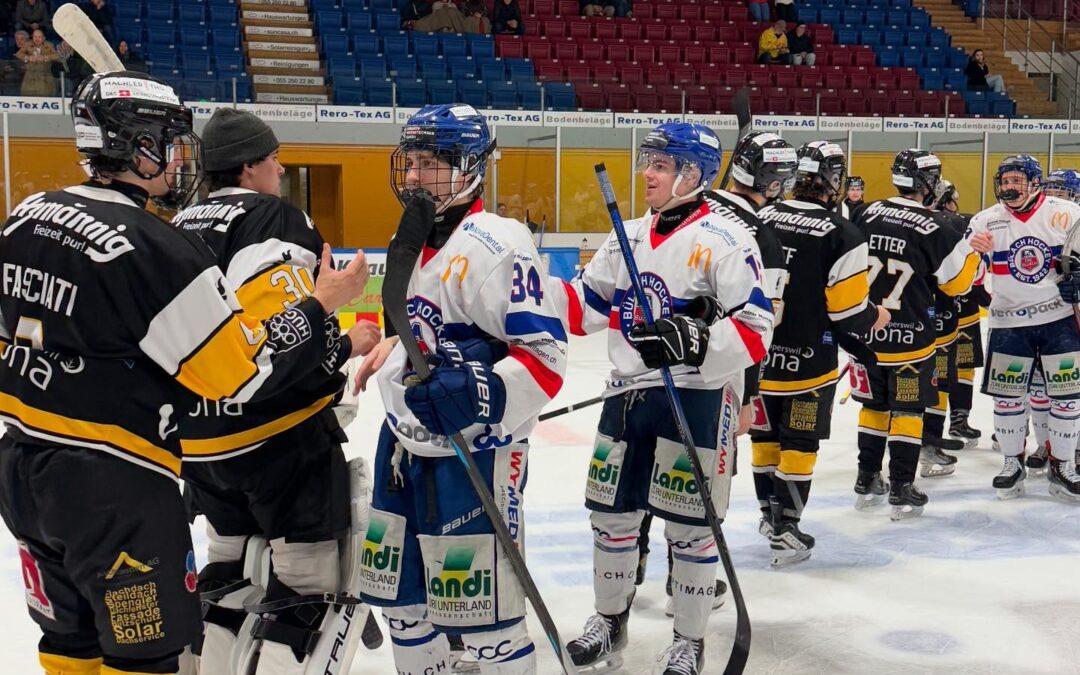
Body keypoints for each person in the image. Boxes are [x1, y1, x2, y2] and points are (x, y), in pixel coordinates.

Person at [0, 70, 368, 675]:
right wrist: (321, 308)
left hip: (23, 470)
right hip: (114, 486)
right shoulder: (154, 247)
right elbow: (240, 374)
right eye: (169, 144)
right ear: (141, 148)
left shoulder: (25, 215)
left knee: (69, 644)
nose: (177, 161)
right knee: (144, 656)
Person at [352, 103, 568, 675]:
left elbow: (546, 358)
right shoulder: (411, 234)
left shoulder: (500, 244)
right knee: (402, 608)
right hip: (400, 448)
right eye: (412, 162)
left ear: (470, 166)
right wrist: (386, 353)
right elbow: (413, 325)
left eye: (431, 163)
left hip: (474, 455)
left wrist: (483, 390)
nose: (416, 177)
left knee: (485, 622)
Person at [172, 108, 383, 675]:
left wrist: (338, 338)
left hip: (200, 448)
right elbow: (271, 355)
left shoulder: (179, 225)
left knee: (228, 577)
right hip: (276, 443)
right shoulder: (272, 219)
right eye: (273, 158)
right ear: (248, 168)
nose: (281, 167)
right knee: (307, 590)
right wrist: (338, 327)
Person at [559, 122, 773, 674]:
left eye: (659, 164)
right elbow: (586, 307)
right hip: (628, 394)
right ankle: (610, 623)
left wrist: (697, 339)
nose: (645, 173)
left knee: (691, 527)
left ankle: (689, 640)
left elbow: (755, 329)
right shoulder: (626, 235)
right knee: (611, 516)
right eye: (647, 161)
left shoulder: (726, 241)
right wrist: (524, 300)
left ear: (692, 174)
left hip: (696, 398)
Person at [754, 140, 889, 565]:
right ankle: (787, 524)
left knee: (764, 437)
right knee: (799, 442)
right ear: (834, 180)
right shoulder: (844, 233)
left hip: (755, 353)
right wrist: (875, 317)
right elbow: (848, 312)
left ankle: (767, 514)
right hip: (809, 360)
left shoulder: (760, 216)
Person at [850, 150, 980, 519]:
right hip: (910, 340)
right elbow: (958, 285)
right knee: (908, 410)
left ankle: (867, 477)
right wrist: (973, 253)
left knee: (873, 408)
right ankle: (902, 486)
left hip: (865, 334)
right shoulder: (938, 224)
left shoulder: (865, 212)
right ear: (929, 182)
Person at [968, 155, 1080, 501]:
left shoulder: (1068, 214)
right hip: (1007, 325)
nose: (1009, 187)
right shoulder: (985, 220)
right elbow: (959, 277)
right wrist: (972, 253)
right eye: (1005, 181)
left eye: (1017, 180)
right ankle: (1011, 462)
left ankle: (1062, 465)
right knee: (1008, 399)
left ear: (1034, 183)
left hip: (1058, 322)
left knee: (1066, 400)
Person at [934, 180, 991, 449]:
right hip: (964, 308)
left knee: (936, 371)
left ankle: (926, 425)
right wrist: (983, 295)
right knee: (961, 367)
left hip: (933, 313)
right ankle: (959, 420)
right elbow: (979, 264)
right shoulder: (964, 222)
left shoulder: (920, 224)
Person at [16, 28, 57, 97]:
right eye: (35, 36)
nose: (36, 39)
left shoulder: (49, 45)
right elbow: (19, 54)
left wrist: (45, 57)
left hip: (45, 77)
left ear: (43, 38)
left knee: (45, 99)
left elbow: (57, 55)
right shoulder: (28, 44)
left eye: (39, 37)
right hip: (30, 77)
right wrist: (28, 58)